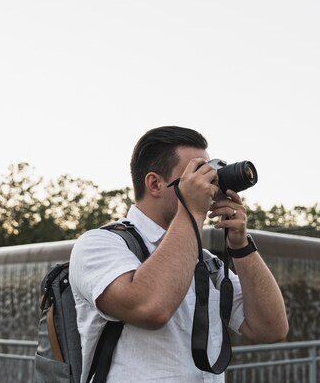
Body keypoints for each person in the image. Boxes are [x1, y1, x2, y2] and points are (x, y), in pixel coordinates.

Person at [69, 126, 288, 383]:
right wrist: (192, 211)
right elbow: (151, 308)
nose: (207, 188)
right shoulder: (99, 244)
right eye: (194, 177)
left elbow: (271, 328)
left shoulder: (205, 261)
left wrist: (242, 247)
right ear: (154, 184)